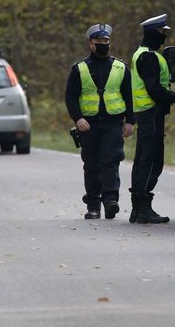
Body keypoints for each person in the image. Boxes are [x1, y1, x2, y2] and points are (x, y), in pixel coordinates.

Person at [65, 24, 135, 220]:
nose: (104, 45)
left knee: (110, 161)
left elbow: (129, 96)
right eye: (99, 42)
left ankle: (111, 201)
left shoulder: (121, 67)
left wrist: (130, 121)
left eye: (106, 42)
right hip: (89, 125)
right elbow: (70, 96)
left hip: (113, 123)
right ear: (91, 44)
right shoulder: (79, 69)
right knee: (92, 165)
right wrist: (78, 118)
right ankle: (93, 206)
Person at [129, 14, 175, 224]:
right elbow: (155, 89)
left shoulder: (141, 54)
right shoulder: (150, 57)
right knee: (152, 160)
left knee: (143, 159)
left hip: (146, 113)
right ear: (154, 33)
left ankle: (138, 208)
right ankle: (142, 207)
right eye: (162, 33)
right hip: (151, 113)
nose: (164, 38)